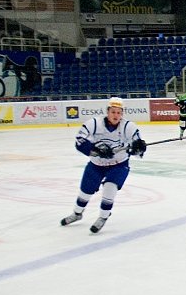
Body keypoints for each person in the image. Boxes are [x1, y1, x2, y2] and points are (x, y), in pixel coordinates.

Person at [60, 96, 147, 233]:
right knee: (85, 191)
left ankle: (103, 216)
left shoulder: (129, 127)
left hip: (119, 164)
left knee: (110, 187)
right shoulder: (94, 123)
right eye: (113, 112)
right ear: (107, 112)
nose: (116, 115)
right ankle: (77, 213)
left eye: (119, 112)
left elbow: (138, 146)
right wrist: (95, 150)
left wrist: (138, 148)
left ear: (122, 113)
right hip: (96, 165)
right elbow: (79, 141)